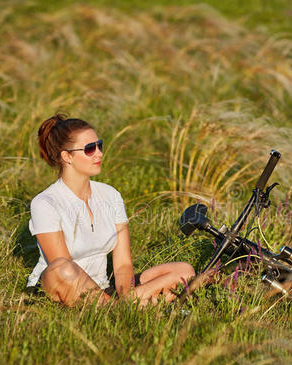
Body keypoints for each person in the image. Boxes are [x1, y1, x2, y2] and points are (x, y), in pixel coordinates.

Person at [26, 114, 195, 306]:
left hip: (104, 288)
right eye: (90, 149)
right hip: (63, 285)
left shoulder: (111, 195)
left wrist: (126, 293)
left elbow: (123, 264)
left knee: (184, 270)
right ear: (67, 156)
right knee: (62, 269)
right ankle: (127, 307)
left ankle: (124, 304)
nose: (99, 154)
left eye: (100, 145)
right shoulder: (45, 202)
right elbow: (62, 262)